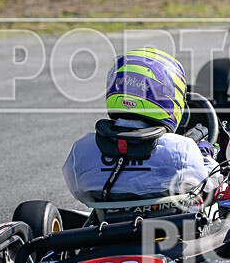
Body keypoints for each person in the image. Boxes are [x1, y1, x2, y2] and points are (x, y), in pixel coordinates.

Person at [63, 48, 219, 205]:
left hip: (108, 224)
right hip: (172, 223)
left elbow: (80, 193)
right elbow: (209, 182)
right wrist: (205, 155)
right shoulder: (182, 149)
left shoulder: (82, 150)